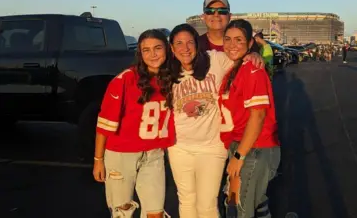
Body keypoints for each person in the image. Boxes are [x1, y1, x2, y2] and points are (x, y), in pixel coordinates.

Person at [166, 23, 264, 218]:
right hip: (179, 147)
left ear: (197, 44)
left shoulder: (215, 60)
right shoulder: (166, 72)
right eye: (178, 43)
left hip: (212, 147)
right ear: (172, 48)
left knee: (207, 205)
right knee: (186, 200)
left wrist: (254, 54)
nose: (185, 48)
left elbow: (238, 55)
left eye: (189, 42)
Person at [92, 29, 174, 218]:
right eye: (146, 50)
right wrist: (98, 160)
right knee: (123, 213)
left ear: (167, 50)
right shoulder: (125, 79)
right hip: (122, 154)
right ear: (140, 53)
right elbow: (103, 125)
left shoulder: (171, 77)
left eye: (157, 48)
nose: (152, 54)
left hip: (154, 153)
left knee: (156, 213)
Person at [219, 19, 280, 218]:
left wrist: (239, 156)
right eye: (227, 39)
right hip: (241, 143)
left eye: (239, 39)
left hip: (255, 147)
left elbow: (259, 115)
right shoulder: (236, 68)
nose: (232, 44)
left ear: (249, 43)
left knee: (242, 209)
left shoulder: (252, 70)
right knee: (247, 202)